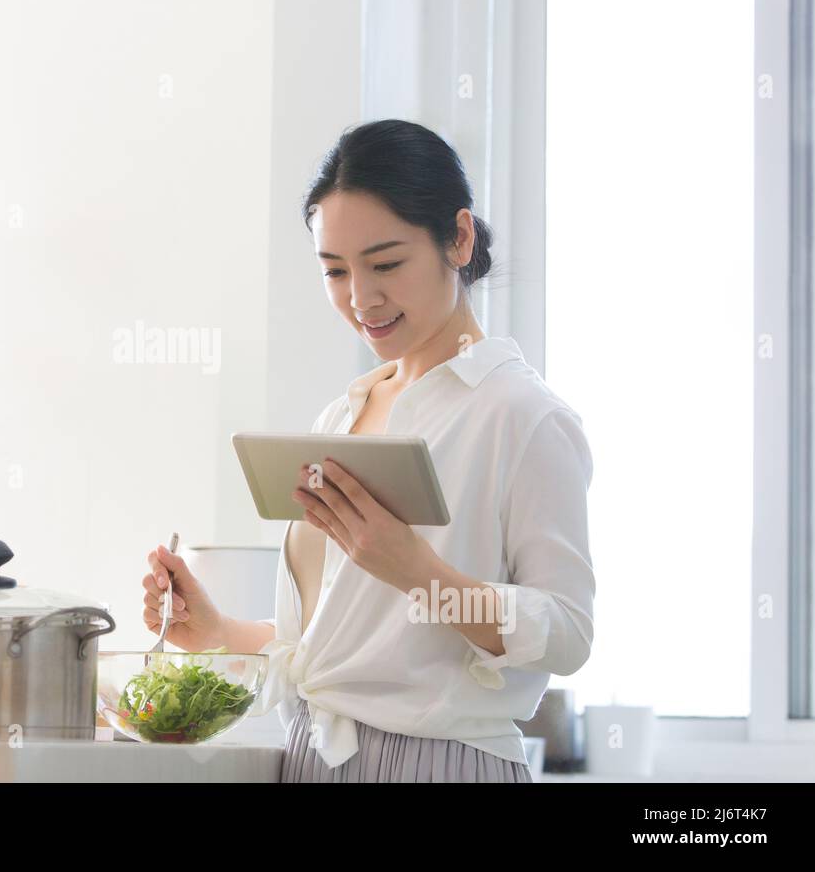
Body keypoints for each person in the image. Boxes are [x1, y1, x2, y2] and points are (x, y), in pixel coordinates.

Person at [140, 119, 595, 782]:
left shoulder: (521, 416)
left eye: (386, 264)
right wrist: (213, 631)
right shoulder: (343, 416)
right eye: (335, 271)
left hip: (437, 766)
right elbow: (336, 655)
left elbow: (568, 632)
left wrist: (419, 573)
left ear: (458, 238)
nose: (361, 299)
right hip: (313, 760)